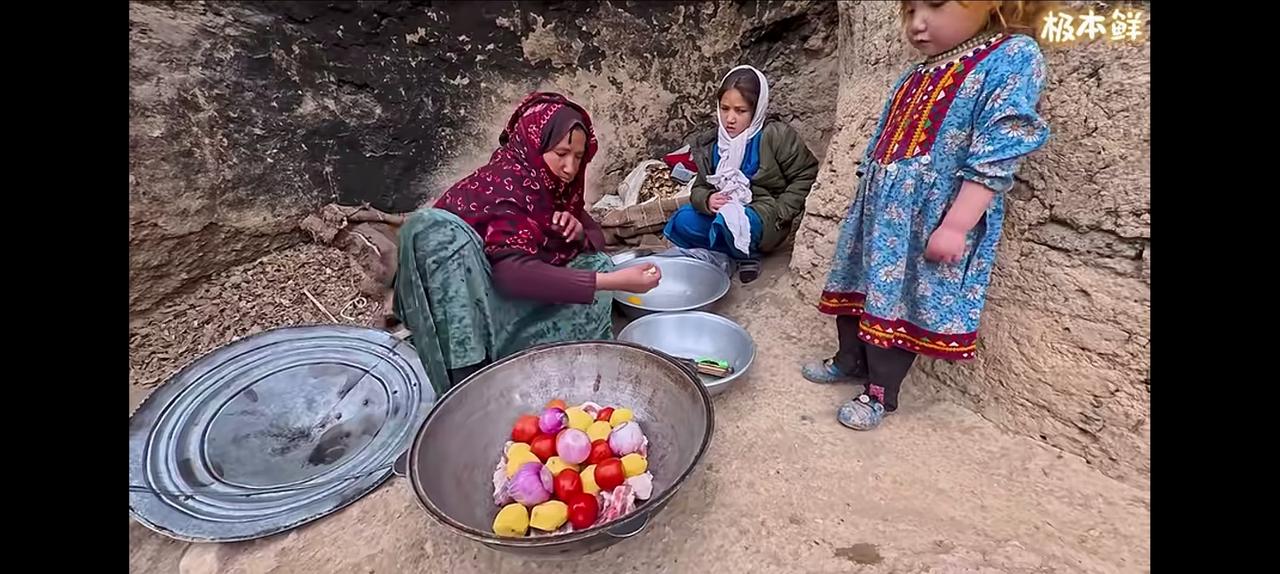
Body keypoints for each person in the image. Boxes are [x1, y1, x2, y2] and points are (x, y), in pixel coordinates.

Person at [802, 1, 1051, 430]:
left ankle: (880, 392)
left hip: (928, 220)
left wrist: (956, 224)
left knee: (900, 303)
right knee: (859, 287)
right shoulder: (917, 74)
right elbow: (884, 135)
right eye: (910, 10)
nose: (918, 24)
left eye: (934, 5)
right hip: (881, 215)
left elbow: (998, 151)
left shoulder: (1012, 57)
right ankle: (849, 358)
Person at [394, 92, 661, 393]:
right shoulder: (506, 186)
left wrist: (578, 233)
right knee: (435, 229)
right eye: (561, 154)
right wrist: (612, 280)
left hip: (506, 294)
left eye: (578, 157)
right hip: (466, 303)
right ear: (535, 144)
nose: (571, 168)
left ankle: (524, 359)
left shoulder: (553, 188)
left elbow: (596, 237)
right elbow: (512, 276)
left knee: (594, 261)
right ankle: (467, 380)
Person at [663, 65, 819, 283]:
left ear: (756, 109)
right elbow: (700, 187)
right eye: (725, 108)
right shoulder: (713, 142)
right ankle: (734, 252)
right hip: (723, 213)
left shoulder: (776, 135)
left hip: (762, 217)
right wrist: (707, 200)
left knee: (731, 222)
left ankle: (747, 254)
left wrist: (782, 212)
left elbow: (806, 173)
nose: (730, 119)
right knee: (681, 220)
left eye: (740, 110)